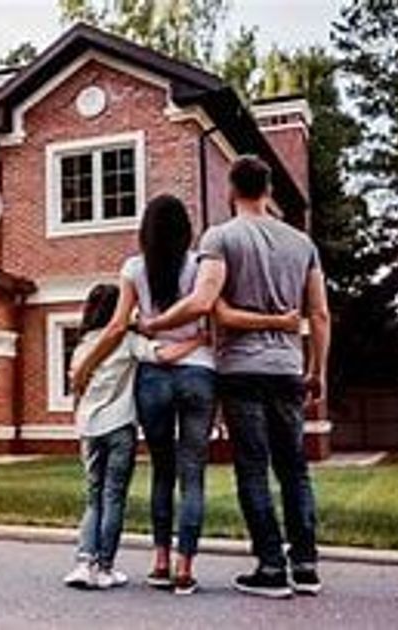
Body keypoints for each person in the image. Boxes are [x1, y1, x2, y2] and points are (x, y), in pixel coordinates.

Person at [71, 194, 299, 596]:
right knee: (192, 474)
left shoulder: (133, 268)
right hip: (199, 373)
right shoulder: (201, 264)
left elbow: (117, 327)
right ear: (186, 230)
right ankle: (184, 569)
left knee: (162, 471)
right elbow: (216, 316)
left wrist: (87, 364)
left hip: (153, 378)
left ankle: (159, 562)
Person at [142, 156, 331, 599]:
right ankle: (305, 566)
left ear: (231, 189)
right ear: (269, 190)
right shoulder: (302, 243)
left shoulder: (221, 236)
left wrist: (154, 323)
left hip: (241, 370)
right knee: (294, 468)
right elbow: (320, 313)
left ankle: (271, 567)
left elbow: (203, 301)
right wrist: (316, 369)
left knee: (253, 467)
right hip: (287, 369)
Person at [64, 283, 208, 590]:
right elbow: (164, 355)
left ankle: (83, 563)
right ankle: (105, 568)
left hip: (88, 430)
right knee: (113, 497)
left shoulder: (82, 346)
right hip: (119, 428)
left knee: (93, 498)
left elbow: (77, 389)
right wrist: (198, 340)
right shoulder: (127, 341)